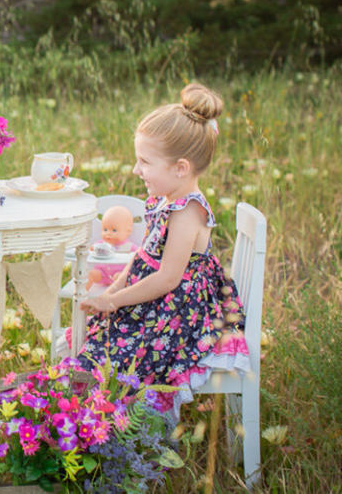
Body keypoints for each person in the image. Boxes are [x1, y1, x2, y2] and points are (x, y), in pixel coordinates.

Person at [77, 84, 249, 413]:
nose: (136, 170)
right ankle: (95, 419)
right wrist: (112, 291)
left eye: (144, 162)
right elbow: (141, 258)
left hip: (181, 313)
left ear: (180, 168)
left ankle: (119, 425)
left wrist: (112, 300)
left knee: (120, 357)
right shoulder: (163, 200)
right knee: (99, 335)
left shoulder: (187, 212)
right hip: (158, 302)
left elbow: (169, 279)